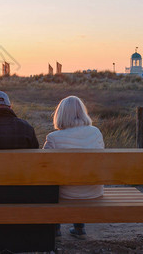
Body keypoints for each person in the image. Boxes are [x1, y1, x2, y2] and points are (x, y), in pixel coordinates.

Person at [43, 95, 105, 239]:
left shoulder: (53, 137)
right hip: (93, 191)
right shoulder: (96, 132)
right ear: (83, 113)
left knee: (52, 179)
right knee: (83, 172)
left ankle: (55, 228)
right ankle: (79, 228)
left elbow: (43, 167)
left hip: (66, 194)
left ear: (60, 115)